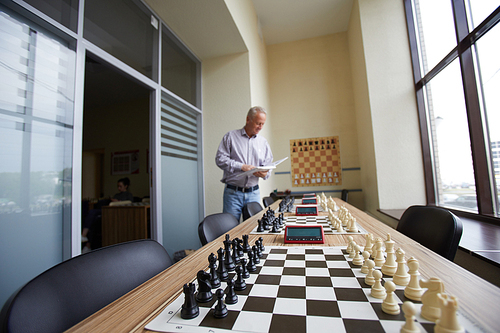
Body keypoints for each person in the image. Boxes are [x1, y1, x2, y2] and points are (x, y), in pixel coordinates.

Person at [216, 106, 273, 221]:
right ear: (248, 119)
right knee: (230, 230)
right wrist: (242, 167)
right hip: (233, 194)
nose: (260, 127)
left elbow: (268, 165)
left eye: (263, 124)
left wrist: (265, 173)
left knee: (256, 228)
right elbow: (220, 159)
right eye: (258, 123)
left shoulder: (263, 142)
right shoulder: (230, 137)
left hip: (254, 193)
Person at [81, 177, 133, 252]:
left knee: (94, 216)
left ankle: (86, 240)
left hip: (117, 213)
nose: (118, 188)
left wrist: (117, 201)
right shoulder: (116, 195)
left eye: (120, 186)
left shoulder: (128, 195)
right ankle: (85, 237)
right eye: (118, 186)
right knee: (93, 216)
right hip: (108, 211)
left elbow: (129, 203)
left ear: (126, 186)